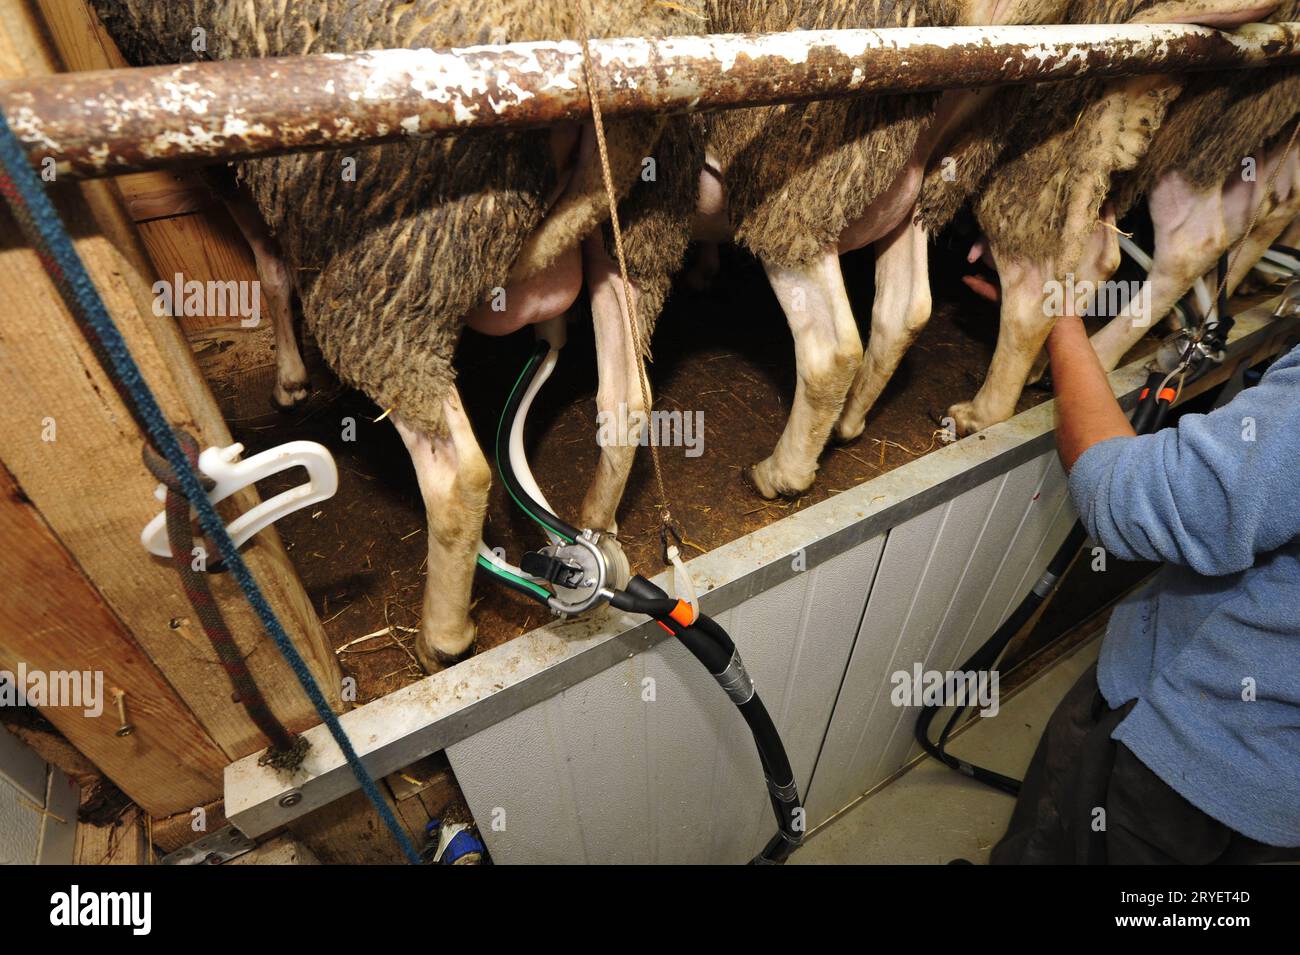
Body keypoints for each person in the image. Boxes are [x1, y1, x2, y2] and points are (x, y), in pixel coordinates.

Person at [990, 312, 1300, 864]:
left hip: (1190, 753)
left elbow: (1127, 499)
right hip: (1276, 787)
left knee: (1064, 842)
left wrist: (1059, 321)